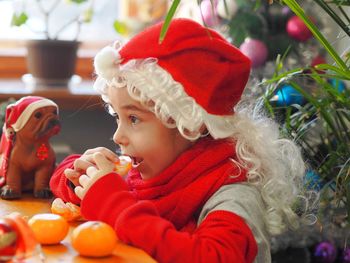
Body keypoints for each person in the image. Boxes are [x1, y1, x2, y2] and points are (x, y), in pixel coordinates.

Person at [50, 18, 308, 263]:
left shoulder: (234, 195)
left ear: (188, 125)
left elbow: (210, 257)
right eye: (118, 117)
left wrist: (114, 205)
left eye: (134, 119)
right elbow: (67, 183)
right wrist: (79, 180)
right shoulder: (154, 169)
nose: (118, 136)